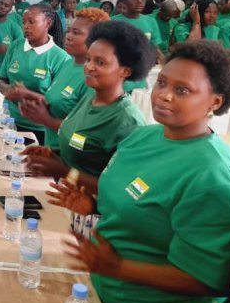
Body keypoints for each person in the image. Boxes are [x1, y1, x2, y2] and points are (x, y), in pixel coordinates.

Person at [48, 40, 230, 303]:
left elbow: (209, 279)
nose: (164, 95)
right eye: (162, 83)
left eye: (182, 90)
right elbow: (145, 208)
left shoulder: (213, 175)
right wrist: (93, 206)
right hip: (100, 290)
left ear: (215, 102)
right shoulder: (143, 137)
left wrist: (118, 267)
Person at [23, 21, 154, 191]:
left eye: (100, 62)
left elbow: (123, 188)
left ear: (125, 71)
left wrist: (66, 172)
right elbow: (83, 152)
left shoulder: (127, 120)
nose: (89, 67)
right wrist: (52, 155)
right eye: (88, 59)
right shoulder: (90, 98)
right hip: (67, 196)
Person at [16, 8, 110, 151]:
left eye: (76, 33)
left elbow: (86, 136)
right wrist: (28, 95)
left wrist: (46, 120)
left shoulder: (94, 76)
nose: (68, 36)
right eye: (69, 30)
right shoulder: (68, 64)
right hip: (51, 151)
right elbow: (60, 101)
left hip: (70, 157)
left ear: (97, 40)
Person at [0, 5, 70, 144]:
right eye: (23, 22)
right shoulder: (15, 46)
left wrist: (25, 95)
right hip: (10, 123)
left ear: (48, 23)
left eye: (31, 22)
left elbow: (59, 102)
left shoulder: (60, 58)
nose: (26, 26)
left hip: (41, 129)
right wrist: (8, 90)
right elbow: (2, 79)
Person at [111, 0, 163, 65]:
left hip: (142, 66)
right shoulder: (112, 21)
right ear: (125, 2)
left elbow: (155, 48)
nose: (139, 1)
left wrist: (165, 65)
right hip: (119, 65)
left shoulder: (151, 21)